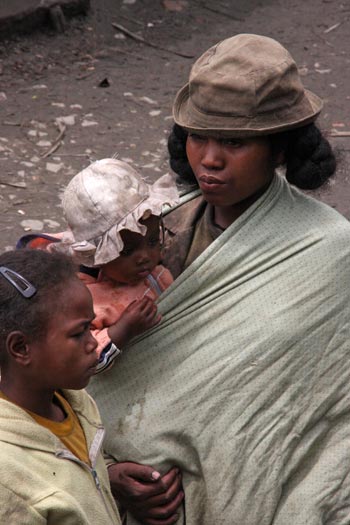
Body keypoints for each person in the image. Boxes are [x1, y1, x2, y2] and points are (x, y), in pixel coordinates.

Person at [87, 34, 350, 524]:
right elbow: (63, 369)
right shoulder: (150, 234)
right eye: (197, 136)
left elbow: (324, 413)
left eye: (234, 141)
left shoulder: (330, 253)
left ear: (279, 149)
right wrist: (108, 471)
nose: (209, 158)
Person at [17, 158, 179, 373]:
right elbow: (83, 361)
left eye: (151, 241)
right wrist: (124, 329)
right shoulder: (85, 298)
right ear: (96, 256)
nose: (145, 256)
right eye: (127, 251)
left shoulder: (158, 266)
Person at [0, 249, 122, 524]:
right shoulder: (7, 476)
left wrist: (111, 474)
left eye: (91, 328)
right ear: (21, 348)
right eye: (78, 333)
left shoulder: (77, 404)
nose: (93, 343)